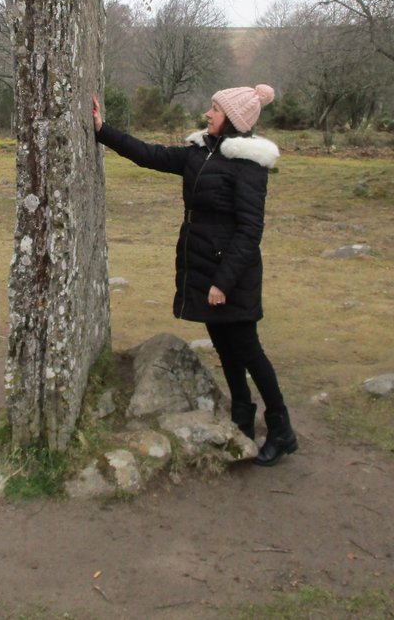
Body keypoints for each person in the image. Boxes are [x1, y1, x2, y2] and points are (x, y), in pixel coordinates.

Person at [92, 85, 298, 466]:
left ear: (233, 120)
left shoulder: (248, 166)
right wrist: (104, 130)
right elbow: (150, 155)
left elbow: (249, 231)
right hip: (204, 266)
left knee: (249, 350)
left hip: (230, 275)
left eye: (216, 109)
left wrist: (223, 282)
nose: (208, 113)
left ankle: (282, 429)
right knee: (224, 344)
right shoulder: (201, 154)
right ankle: (241, 418)